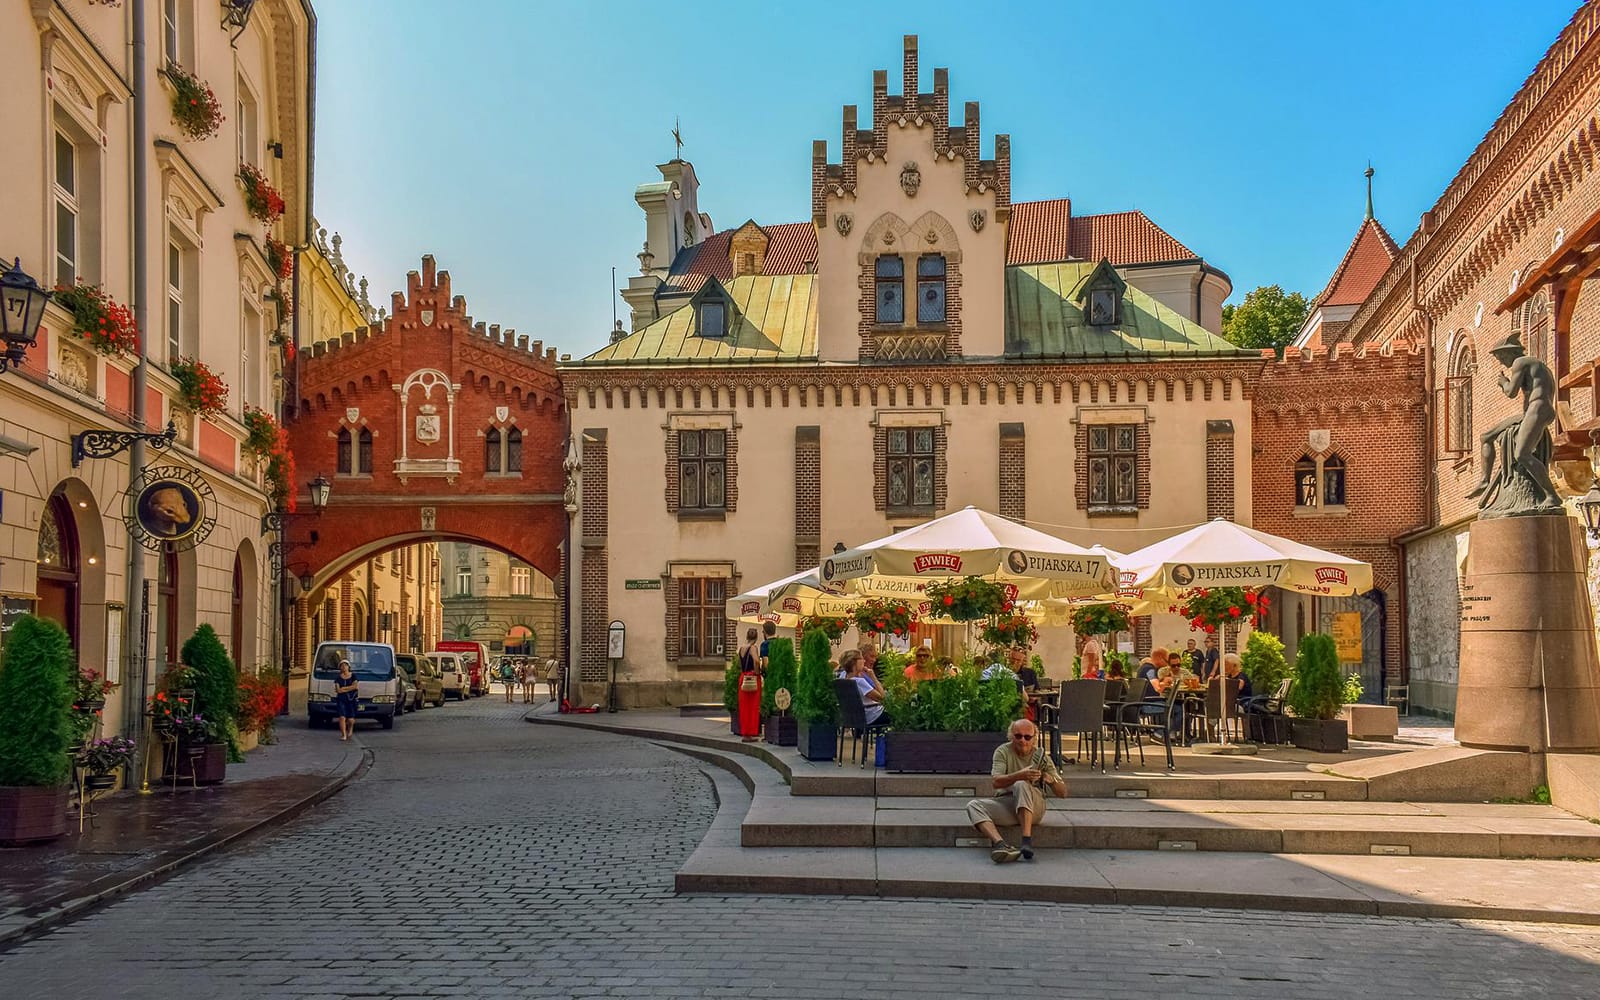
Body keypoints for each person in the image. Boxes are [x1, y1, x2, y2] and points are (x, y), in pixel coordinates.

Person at [964, 719, 1067, 864]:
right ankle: (1001, 844)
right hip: (1008, 802)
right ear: (1011, 736)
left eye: (1027, 737)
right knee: (973, 805)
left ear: (1034, 738)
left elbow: (1063, 793)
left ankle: (1026, 841)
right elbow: (996, 782)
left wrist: (1049, 779)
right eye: (1018, 736)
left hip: (1034, 807)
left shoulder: (1042, 756)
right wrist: (1019, 775)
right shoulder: (1002, 751)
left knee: (1021, 785)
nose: (1022, 740)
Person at [840, 648, 889, 727]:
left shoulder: (842, 677)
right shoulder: (859, 682)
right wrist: (873, 677)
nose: (864, 661)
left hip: (852, 717)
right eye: (862, 659)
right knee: (899, 713)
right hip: (872, 716)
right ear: (854, 662)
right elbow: (882, 698)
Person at [737, 628, 763, 742]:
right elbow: (756, 661)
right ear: (756, 637)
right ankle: (750, 732)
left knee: (744, 707)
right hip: (752, 678)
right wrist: (757, 672)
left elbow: (740, 664)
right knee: (752, 706)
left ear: (747, 636)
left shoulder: (742, 648)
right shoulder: (753, 648)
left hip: (743, 677)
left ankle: (745, 732)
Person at [333, 658, 360, 742]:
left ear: (349, 667)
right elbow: (338, 690)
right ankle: (343, 734)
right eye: (342, 666)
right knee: (342, 717)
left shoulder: (353, 676)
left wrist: (344, 688)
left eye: (345, 665)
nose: (344, 667)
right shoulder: (338, 678)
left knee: (351, 719)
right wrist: (348, 688)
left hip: (351, 699)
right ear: (340, 668)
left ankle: (350, 728)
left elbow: (355, 686)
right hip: (341, 699)